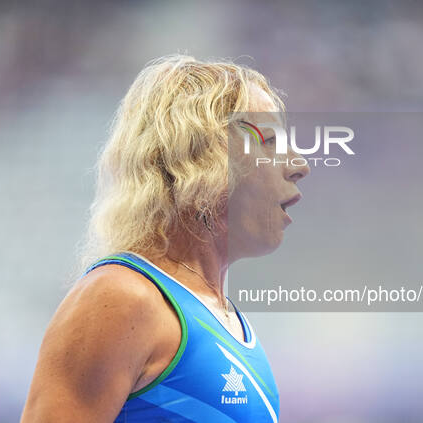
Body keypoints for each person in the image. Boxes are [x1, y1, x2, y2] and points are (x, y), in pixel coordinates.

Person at [20, 54, 310, 423]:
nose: (300, 165)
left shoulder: (229, 323)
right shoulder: (122, 298)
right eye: (268, 142)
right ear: (200, 160)